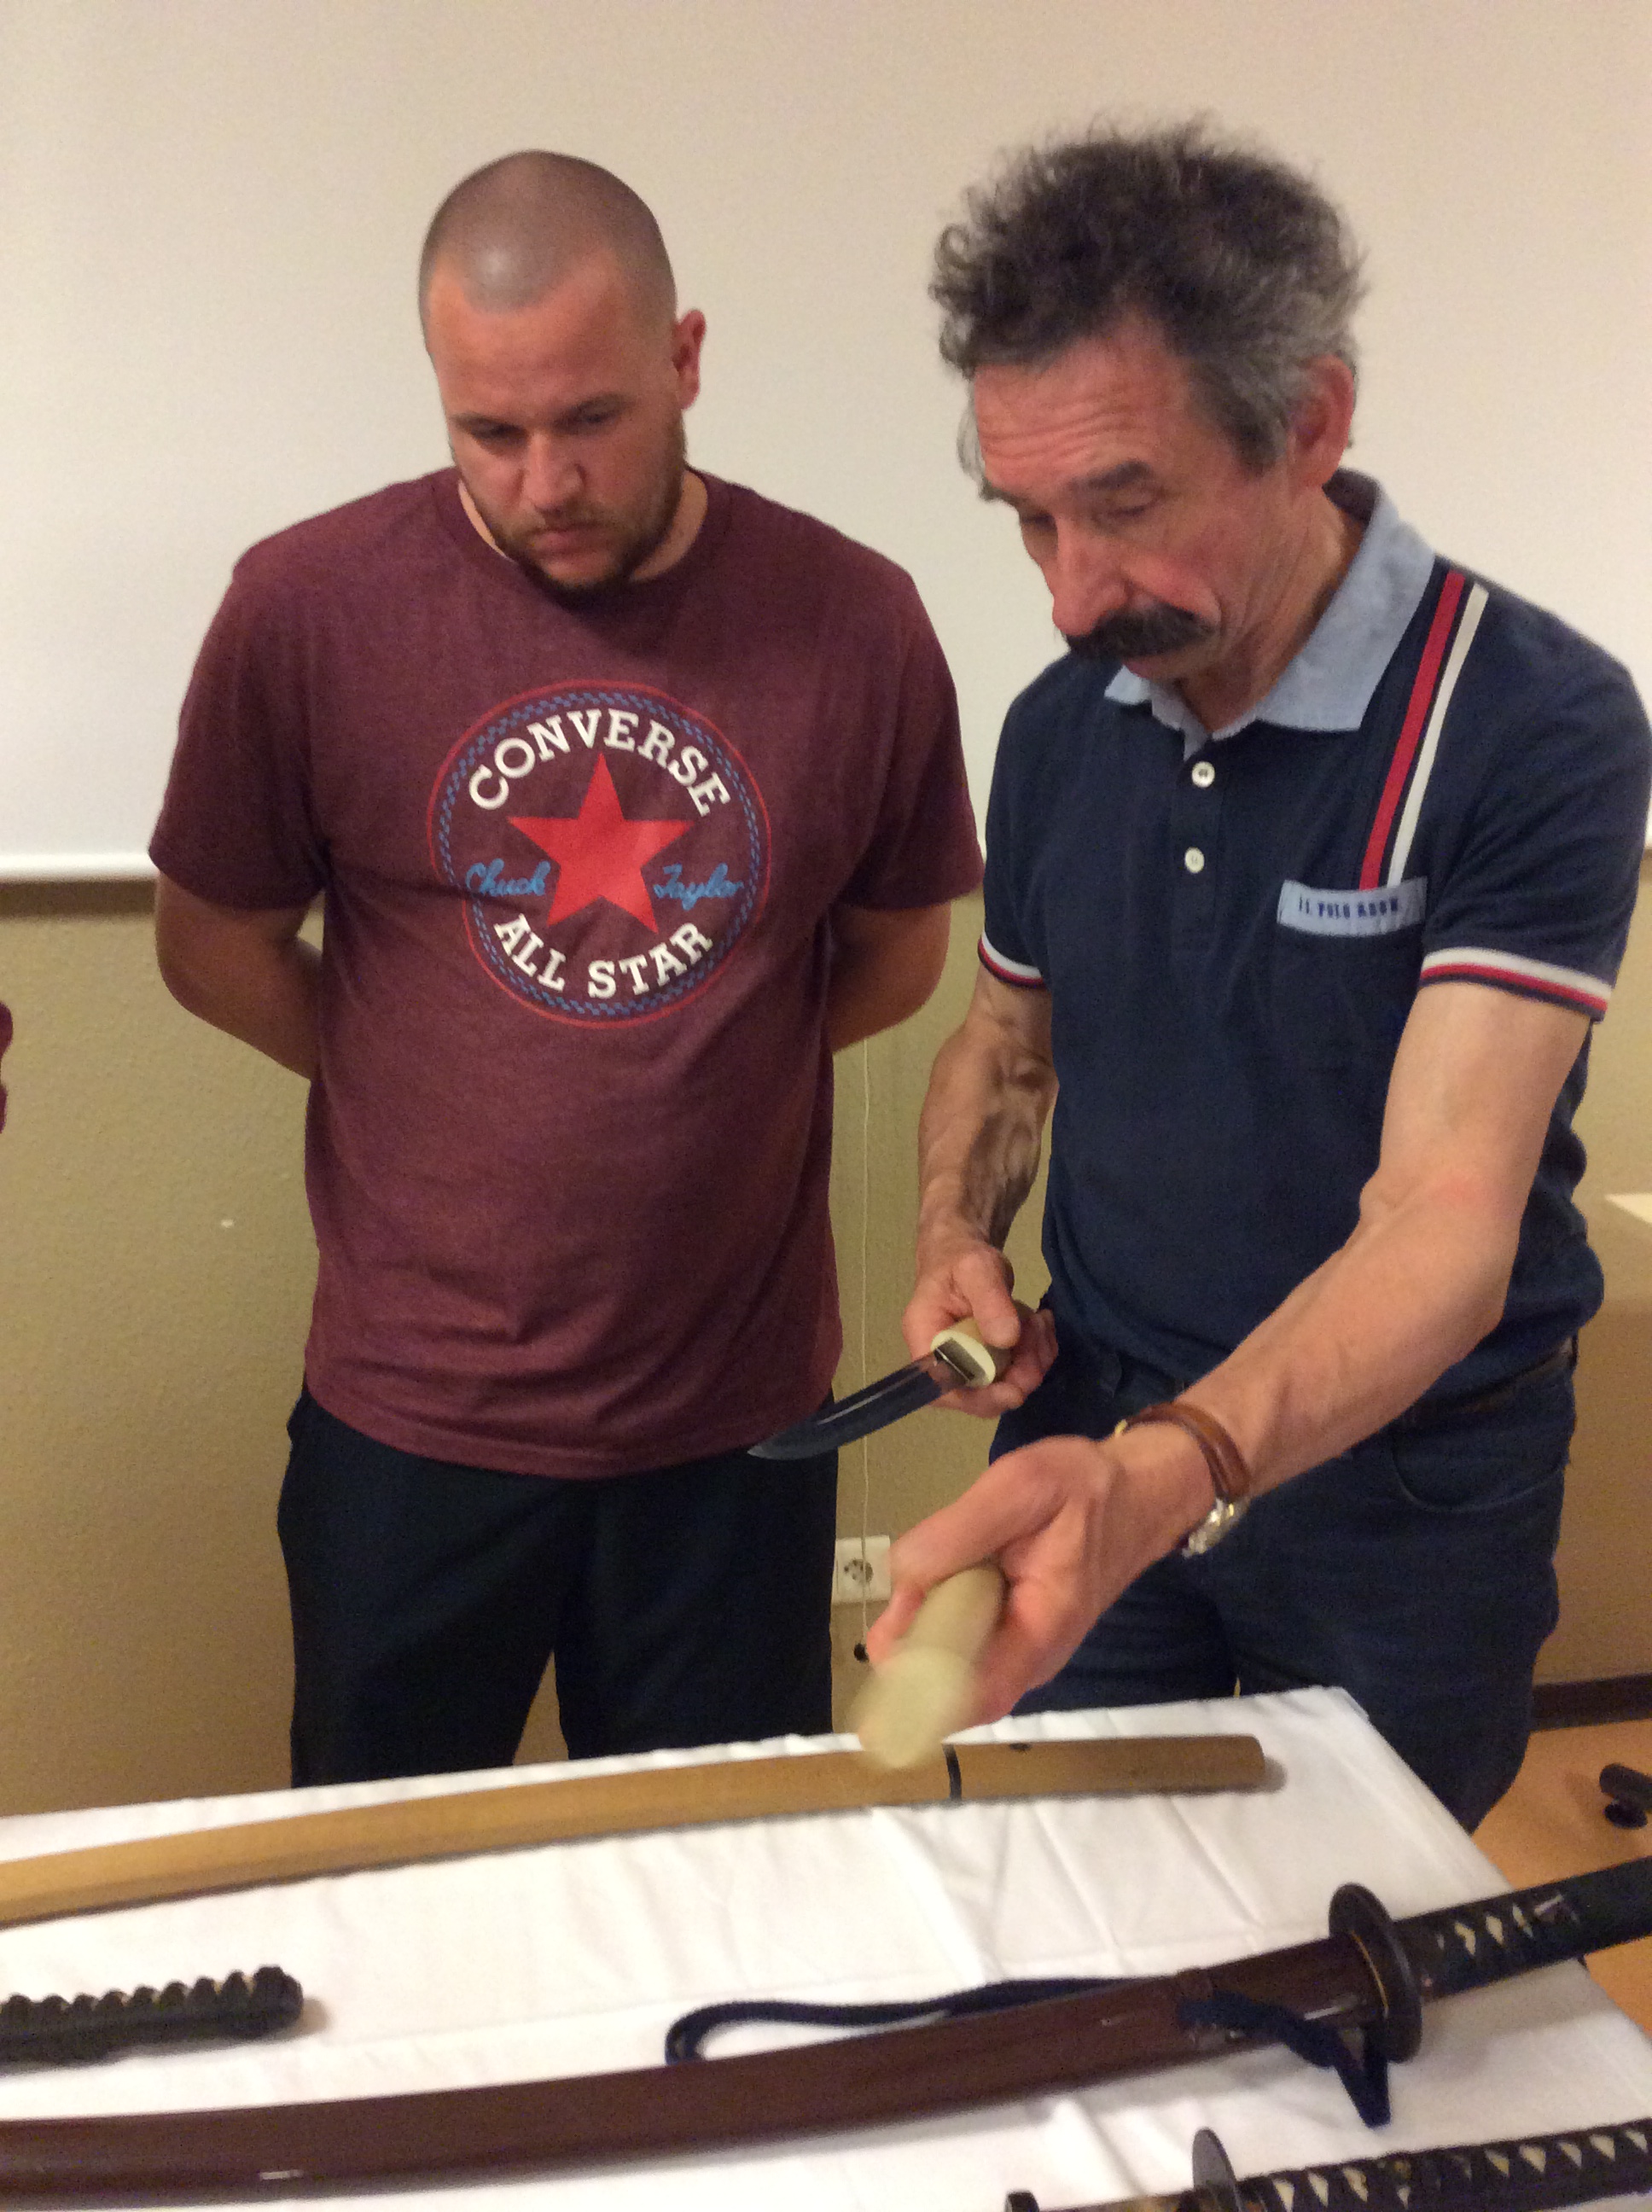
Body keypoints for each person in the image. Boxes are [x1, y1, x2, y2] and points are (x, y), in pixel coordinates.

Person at [152, 151, 980, 1784]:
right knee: (383, 1879)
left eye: (592, 419)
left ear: (685, 359)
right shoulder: (306, 609)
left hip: (733, 1429)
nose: (546, 481)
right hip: (411, 1421)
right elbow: (212, 943)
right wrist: (409, 1067)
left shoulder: (856, 619)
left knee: (714, 1874)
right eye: (491, 430)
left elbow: (898, 952)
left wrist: (714, 1058)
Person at [867, 124, 1650, 1828]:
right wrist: (951, 1238)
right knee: (1076, 1886)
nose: (1070, 596)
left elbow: (1443, 1215)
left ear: (1307, 423)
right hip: (1096, 1426)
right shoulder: (1060, 725)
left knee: (1357, 1916)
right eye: (1029, 522)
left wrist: (1180, 1468)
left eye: (1124, 504)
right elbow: (1005, 1045)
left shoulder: (1532, 722)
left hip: (1404, 1487)